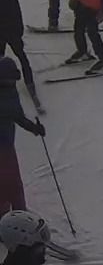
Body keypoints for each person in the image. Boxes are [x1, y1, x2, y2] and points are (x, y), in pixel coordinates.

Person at [0, 57, 45, 215]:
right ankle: (4, 215)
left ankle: (20, 212)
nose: (12, 82)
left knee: (14, 183)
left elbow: (18, 116)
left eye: (13, 79)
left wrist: (34, 128)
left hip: (7, 146)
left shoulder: (11, 92)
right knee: (3, 183)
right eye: (8, 79)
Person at [0, 0, 38, 112]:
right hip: (1, 35)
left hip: (13, 35)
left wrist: (19, 32)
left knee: (22, 58)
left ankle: (30, 83)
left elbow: (18, 15)